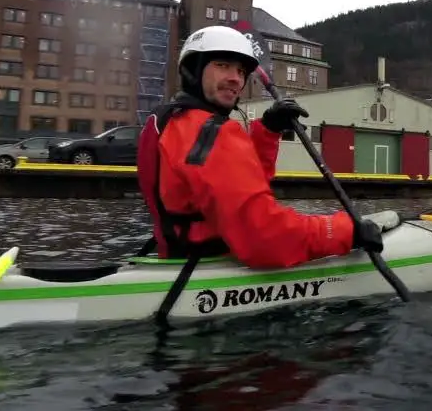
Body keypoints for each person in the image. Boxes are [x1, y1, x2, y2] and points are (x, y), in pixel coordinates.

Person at [136, 25, 384, 268]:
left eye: (242, 71)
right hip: (205, 262)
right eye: (222, 65)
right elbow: (266, 239)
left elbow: (233, 186)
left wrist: (267, 130)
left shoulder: (168, 120)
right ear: (193, 70)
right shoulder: (212, 132)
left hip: (177, 255)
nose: (235, 78)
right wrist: (342, 232)